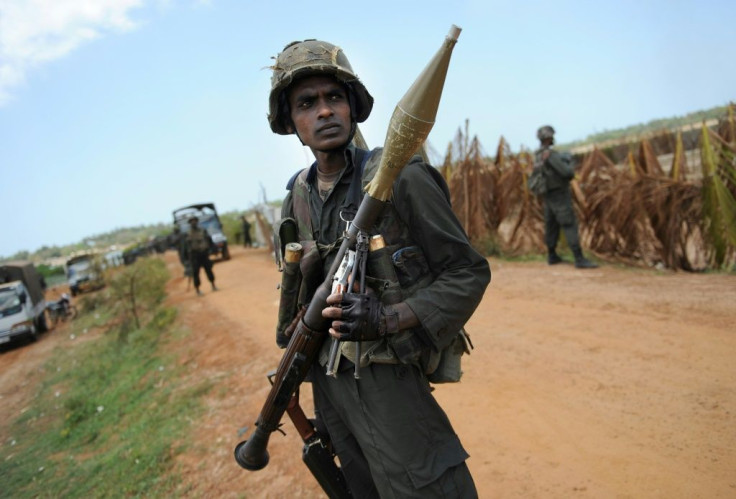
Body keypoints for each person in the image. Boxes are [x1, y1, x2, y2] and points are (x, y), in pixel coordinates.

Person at [270, 40, 490, 498]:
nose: (324, 112)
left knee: (427, 487)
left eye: (334, 98)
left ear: (353, 108)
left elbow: (467, 273)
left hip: (389, 379)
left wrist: (389, 317)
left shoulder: (399, 175)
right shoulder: (297, 196)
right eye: (307, 104)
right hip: (328, 388)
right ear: (291, 122)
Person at [533, 125, 598, 269]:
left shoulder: (538, 155)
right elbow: (566, 173)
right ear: (548, 137)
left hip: (548, 196)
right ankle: (579, 258)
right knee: (568, 224)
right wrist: (569, 164)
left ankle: (552, 255)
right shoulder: (551, 155)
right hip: (559, 195)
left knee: (551, 225)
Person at [182, 216, 218, 295]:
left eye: (195, 220)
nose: (193, 222)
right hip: (194, 256)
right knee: (195, 273)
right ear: (190, 223)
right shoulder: (187, 234)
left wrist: (214, 250)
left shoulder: (203, 231)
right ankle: (197, 290)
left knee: (209, 270)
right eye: (191, 221)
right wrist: (186, 260)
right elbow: (184, 247)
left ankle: (213, 285)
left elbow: (209, 240)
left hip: (204, 254)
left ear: (197, 222)